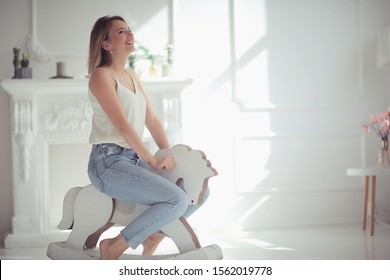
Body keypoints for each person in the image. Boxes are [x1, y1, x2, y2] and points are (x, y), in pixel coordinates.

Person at [87, 15, 209, 260]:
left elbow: (151, 120)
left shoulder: (132, 75)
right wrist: (153, 161)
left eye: (129, 29)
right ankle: (114, 246)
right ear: (106, 44)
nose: (129, 34)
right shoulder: (101, 76)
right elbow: (122, 125)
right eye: (121, 32)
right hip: (108, 163)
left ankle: (154, 235)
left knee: (198, 192)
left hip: (133, 159)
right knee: (176, 199)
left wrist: (170, 155)